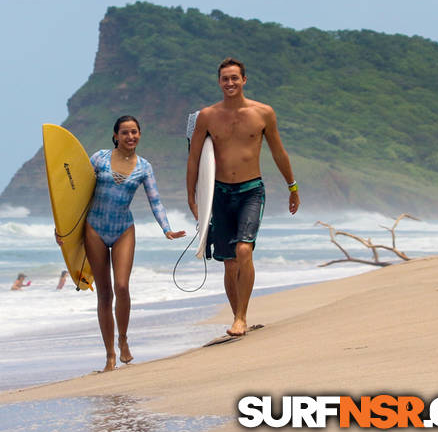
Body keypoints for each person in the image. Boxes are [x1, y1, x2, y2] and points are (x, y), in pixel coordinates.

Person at [186, 58, 300, 337]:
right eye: (225, 78)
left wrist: (292, 186)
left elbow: (278, 152)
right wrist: (192, 196)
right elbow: (195, 158)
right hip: (220, 193)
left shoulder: (263, 113)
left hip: (251, 190)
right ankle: (238, 314)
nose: (230, 83)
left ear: (244, 80)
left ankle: (241, 316)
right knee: (228, 261)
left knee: (244, 250)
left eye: (235, 78)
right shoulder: (207, 116)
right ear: (219, 82)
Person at [73, 115, 186, 372]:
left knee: (122, 286)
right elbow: (76, 195)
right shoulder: (99, 158)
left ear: (139, 135)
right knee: (104, 293)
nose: (130, 136)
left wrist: (166, 228)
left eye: (134, 132)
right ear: (116, 136)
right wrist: (64, 231)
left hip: (124, 229)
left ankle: (123, 339)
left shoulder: (144, 167)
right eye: (125, 132)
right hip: (95, 229)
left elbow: (155, 200)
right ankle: (110, 354)